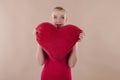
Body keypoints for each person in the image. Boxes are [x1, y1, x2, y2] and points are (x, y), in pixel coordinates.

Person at [35, 6, 83, 80]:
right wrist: (39, 39)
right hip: (47, 76)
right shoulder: (45, 37)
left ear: (66, 20)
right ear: (51, 19)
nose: (58, 20)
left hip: (65, 77)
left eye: (62, 17)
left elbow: (72, 64)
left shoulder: (70, 38)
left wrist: (75, 41)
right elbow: (40, 62)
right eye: (55, 17)